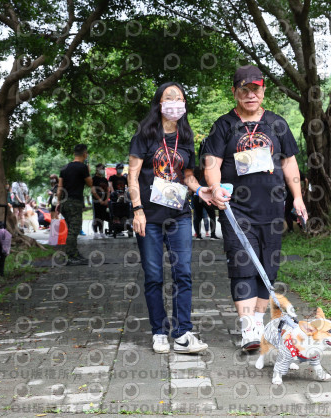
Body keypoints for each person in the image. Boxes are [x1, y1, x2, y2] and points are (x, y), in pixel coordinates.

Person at [202, 65, 307, 352]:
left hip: (273, 208)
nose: (251, 95)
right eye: (244, 90)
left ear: (263, 91)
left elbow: (289, 162)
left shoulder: (277, 124)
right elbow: (210, 162)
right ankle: (248, 327)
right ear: (235, 92)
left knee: (267, 268)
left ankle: (259, 322)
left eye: (256, 89)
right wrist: (215, 188)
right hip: (237, 209)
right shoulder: (224, 125)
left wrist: (297, 197)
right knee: (242, 265)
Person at [128, 82, 213, 354]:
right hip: (149, 216)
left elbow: (186, 174)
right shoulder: (144, 134)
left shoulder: (186, 136)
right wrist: (137, 209)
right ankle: (158, 332)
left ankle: (182, 333)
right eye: (169, 97)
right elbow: (132, 174)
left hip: (179, 215)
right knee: (153, 276)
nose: (174, 101)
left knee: (183, 273)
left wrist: (200, 190)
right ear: (159, 102)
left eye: (179, 97)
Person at [58, 144, 105, 265]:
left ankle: (74, 252)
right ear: (85, 154)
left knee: (71, 229)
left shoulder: (64, 168)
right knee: (74, 230)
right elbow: (90, 183)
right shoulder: (82, 167)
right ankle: (70, 256)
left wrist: (59, 202)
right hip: (75, 202)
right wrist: (88, 172)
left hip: (64, 202)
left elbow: (59, 188)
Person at [92, 163, 109, 239]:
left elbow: (108, 190)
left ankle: (101, 232)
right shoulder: (94, 179)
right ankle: (95, 232)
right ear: (97, 169)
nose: (102, 170)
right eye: (101, 168)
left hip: (104, 201)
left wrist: (106, 200)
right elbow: (93, 191)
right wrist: (99, 199)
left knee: (102, 216)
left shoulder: (105, 179)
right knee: (97, 216)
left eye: (103, 168)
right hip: (96, 201)